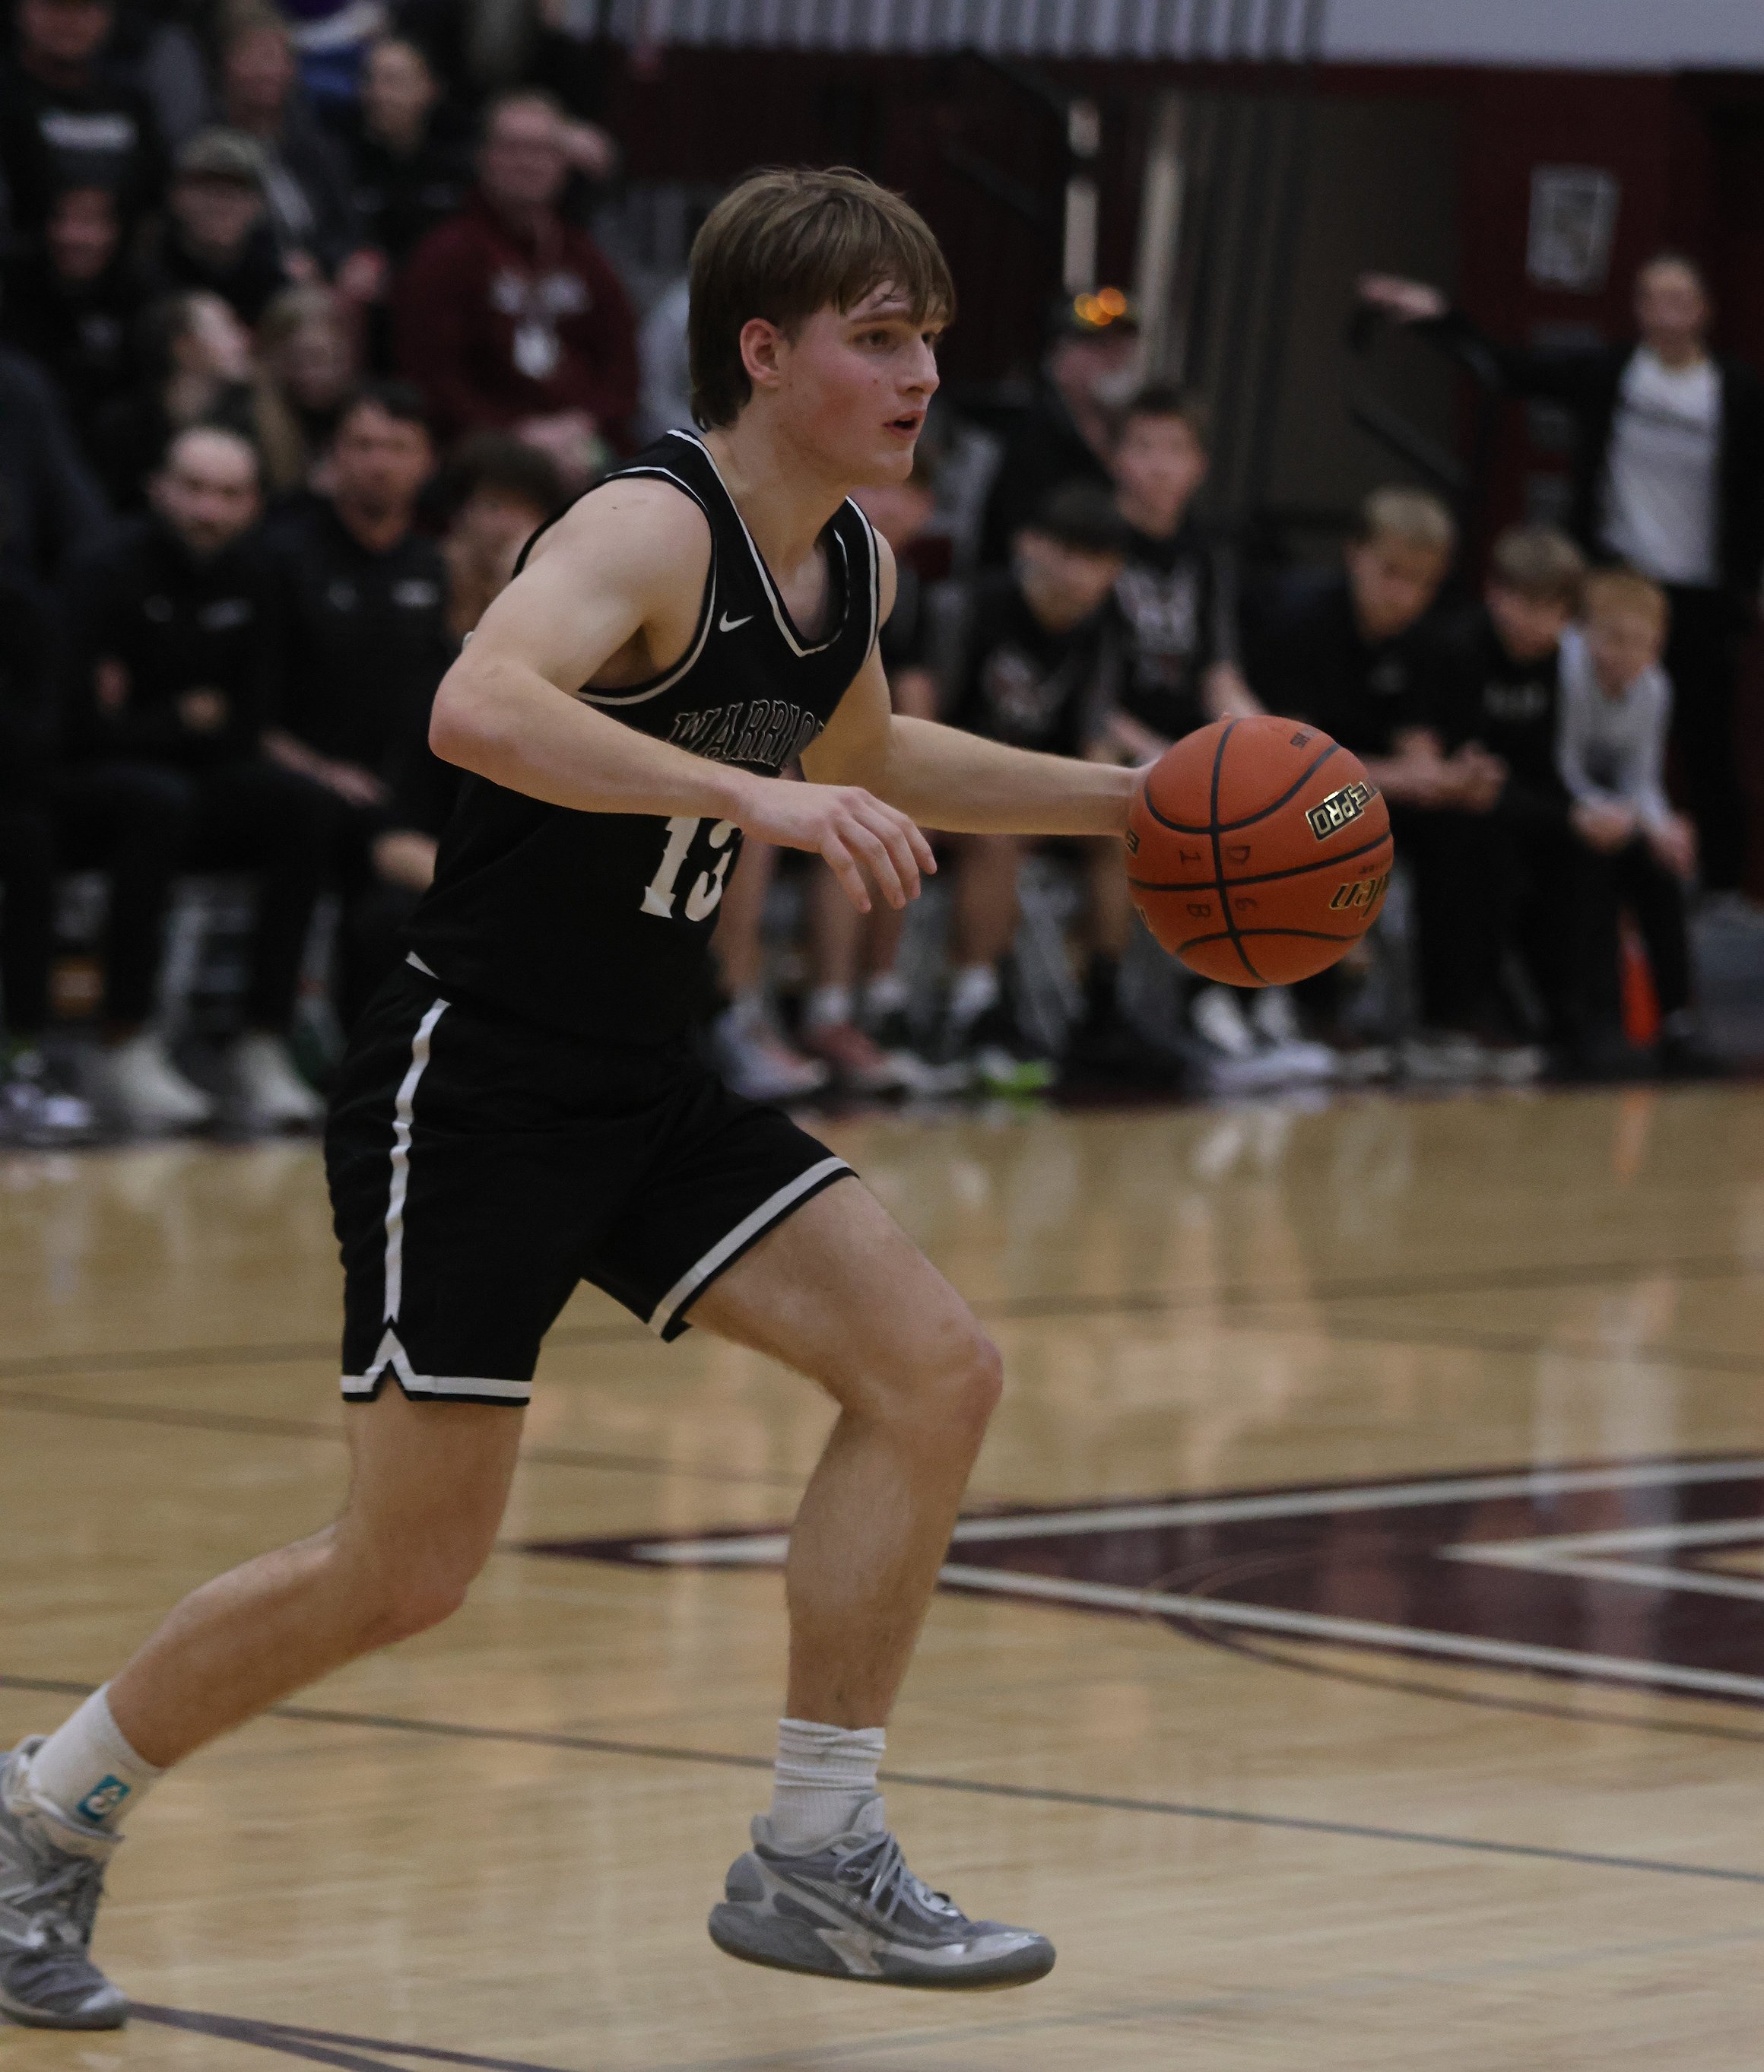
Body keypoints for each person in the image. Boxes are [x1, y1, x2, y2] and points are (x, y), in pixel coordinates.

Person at [0, 164, 1160, 2026]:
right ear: (761, 351)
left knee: (933, 1370)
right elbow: (478, 705)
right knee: (404, 1570)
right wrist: (747, 793)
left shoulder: (846, 560)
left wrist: (1135, 801)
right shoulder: (647, 523)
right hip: (474, 1078)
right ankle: (43, 1812)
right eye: (878, 337)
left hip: (643, 1076)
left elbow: (870, 754)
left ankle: (816, 1850)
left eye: (930, 338)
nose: (921, 373)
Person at [1359, 254, 1764, 907]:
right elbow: (1515, 368)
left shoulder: (1735, 389)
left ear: (1703, 311)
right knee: (1572, 711)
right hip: (1614, 572)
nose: (1666, 313)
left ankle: (1720, 885)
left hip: (1700, 589)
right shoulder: (1614, 371)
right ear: (1638, 308)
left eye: (1680, 300)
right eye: (1652, 298)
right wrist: (1440, 318)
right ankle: (1572, 846)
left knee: (1703, 732)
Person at [55, 424, 329, 1130]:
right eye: (195, 488)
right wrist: (184, 716)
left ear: (256, 504)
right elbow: (78, 724)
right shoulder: (105, 568)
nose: (209, 509)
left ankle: (262, 1039)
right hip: (90, 789)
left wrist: (152, 714)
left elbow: (250, 716)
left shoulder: (260, 575)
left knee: (302, 805)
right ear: (159, 488)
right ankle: (125, 1035)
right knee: (157, 801)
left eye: (230, 494)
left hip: (199, 780)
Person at [1251, 487, 1513, 1075]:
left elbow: (1417, 747)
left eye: (1420, 582)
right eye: (1391, 573)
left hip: (1376, 792)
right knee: (1328, 820)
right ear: (1355, 554)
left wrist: (1457, 779)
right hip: (1294, 797)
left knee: (1473, 826)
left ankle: (1450, 1014)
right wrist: (1412, 776)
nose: (1403, 595)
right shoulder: (1302, 623)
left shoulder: (1428, 642)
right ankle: (1318, 1010)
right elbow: (1294, 761)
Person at [259, 381, 455, 1023]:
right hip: (305, 779)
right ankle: (270, 1029)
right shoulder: (284, 555)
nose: (379, 463)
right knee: (325, 819)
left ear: (426, 462)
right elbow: (253, 710)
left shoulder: (433, 568)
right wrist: (320, 770)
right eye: (363, 445)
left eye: (398, 447)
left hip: (404, 793)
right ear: (334, 455)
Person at [942, 479, 1128, 1091]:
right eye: (1069, 552)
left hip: (1034, 794)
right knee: (996, 835)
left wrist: (1115, 800)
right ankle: (974, 1005)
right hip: (949, 788)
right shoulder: (978, 606)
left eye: (1097, 559)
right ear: (1033, 546)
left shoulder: (1100, 631)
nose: (1079, 573)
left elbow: (1095, 742)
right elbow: (923, 721)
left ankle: (1103, 1003)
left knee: (1121, 831)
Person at [1427, 525, 1609, 1065]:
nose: (1537, 621)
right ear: (1494, 593)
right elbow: (1455, 767)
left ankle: (1577, 1013)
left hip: (1532, 802)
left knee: (1587, 853)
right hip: (1459, 803)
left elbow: (1569, 765)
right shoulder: (1458, 647)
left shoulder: (1572, 666)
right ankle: (1465, 1008)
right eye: (1526, 603)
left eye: (1554, 609)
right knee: (1480, 845)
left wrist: (1584, 812)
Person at [392, 89, 641, 474]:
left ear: (563, 163)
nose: (528, 163)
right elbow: (432, 380)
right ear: (483, 157)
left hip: (582, 440)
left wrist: (584, 422)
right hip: (483, 448)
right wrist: (517, 434)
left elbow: (622, 368)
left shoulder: (585, 258)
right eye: (513, 148)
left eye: (543, 150)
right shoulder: (445, 257)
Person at [1558, 568, 1709, 1075]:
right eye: (1614, 638)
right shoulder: (1567, 673)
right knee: (1594, 865)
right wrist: (1608, 813)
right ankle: (1596, 1017)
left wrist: (1662, 828)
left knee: (1663, 866)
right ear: (1583, 632)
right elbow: (1565, 765)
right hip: (1568, 810)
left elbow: (1642, 778)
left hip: (1615, 815)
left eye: (1641, 643)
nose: (1626, 653)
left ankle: (1678, 1017)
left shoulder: (1655, 688)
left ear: (1658, 646)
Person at [0, 568, 95, 1141]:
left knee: (30, 838)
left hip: (12, 791)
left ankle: (22, 1056)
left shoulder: (22, 607)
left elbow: (41, 728)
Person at [977, 287, 1140, 568]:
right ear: (1059, 355)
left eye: (1122, 347)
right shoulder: (1028, 434)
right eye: (1098, 347)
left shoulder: (1133, 434)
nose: (1113, 360)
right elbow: (1018, 537)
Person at [217, 7, 369, 289]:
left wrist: (338, 264)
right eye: (253, 58)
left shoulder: (318, 146)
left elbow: (344, 230)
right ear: (227, 64)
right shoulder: (209, 146)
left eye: (275, 58)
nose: (266, 71)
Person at [0, 0, 167, 250]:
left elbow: (153, 202)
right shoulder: (7, 99)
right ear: (21, 11)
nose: (70, 21)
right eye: (56, 7)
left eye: (84, 8)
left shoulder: (133, 104)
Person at [86, 287, 262, 511]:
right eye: (228, 327)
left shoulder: (257, 420)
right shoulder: (121, 427)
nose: (245, 339)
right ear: (184, 347)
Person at [0, 183, 149, 446]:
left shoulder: (142, 292)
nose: (74, 237)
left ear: (117, 229)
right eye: (62, 219)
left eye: (90, 222)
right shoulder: (13, 283)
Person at [151, 129, 291, 328]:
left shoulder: (276, 283)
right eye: (206, 188)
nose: (220, 205)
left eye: (236, 190)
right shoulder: (144, 280)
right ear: (176, 196)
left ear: (258, 204)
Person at [436, 428, 561, 643]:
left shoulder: (561, 590)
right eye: (494, 506)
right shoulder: (428, 576)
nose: (506, 526)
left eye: (523, 509)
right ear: (460, 513)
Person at [253, 281, 360, 493]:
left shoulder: (362, 410)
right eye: (305, 359)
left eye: (335, 358)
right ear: (275, 358)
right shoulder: (249, 419)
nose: (322, 373)